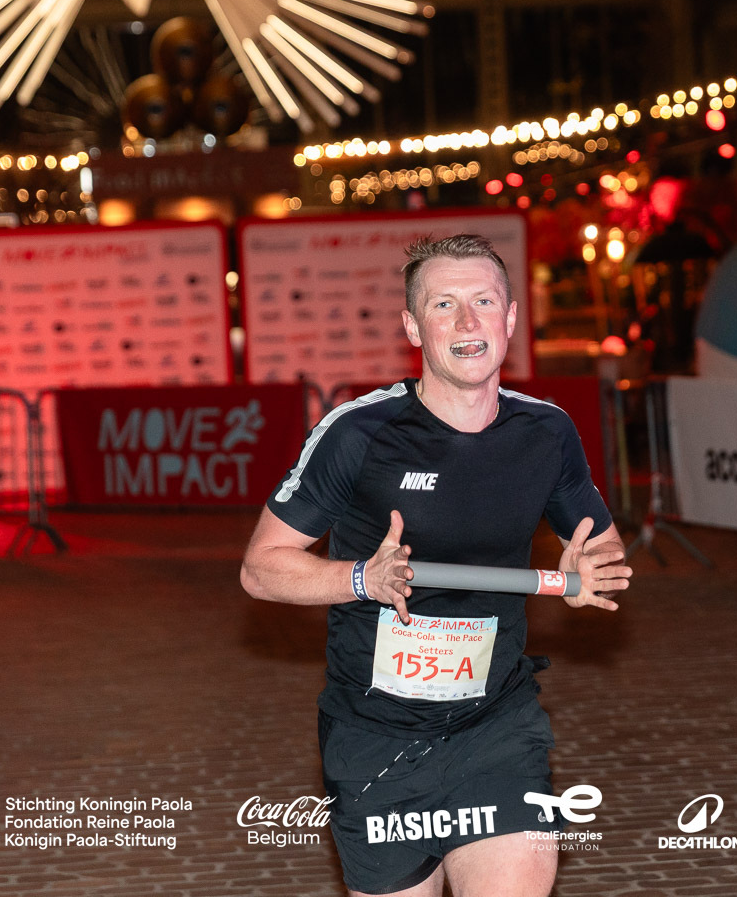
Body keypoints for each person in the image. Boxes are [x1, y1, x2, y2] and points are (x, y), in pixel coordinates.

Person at [240, 233, 632, 896]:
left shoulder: (547, 432)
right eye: (443, 305)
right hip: (376, 740)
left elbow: (606, 552)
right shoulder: (359, 433)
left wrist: (588, 569)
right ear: (413, 327)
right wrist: (362, 578)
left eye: (485, 301)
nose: (468, 321)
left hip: (497, 727)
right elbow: (261, 568)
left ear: (511, 319)